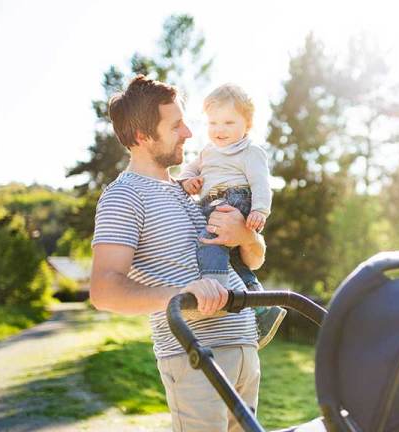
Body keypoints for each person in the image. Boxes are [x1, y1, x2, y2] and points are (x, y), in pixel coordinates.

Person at [90, 75, 264, 432]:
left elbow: (255, 258)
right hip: (195, 356)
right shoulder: (124, 197)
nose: (188, 132)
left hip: (245, 348)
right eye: (175, 126)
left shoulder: (193, 190)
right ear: (141, 137)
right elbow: (104, 290)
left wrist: (245, 236)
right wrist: (183, 295)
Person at [177, 83, 286, 350]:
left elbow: (261, 184)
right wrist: (188, 181)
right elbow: (188, 172)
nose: (219, 130)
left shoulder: (250, 151)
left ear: (246, 125)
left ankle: (216, 291)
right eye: (213, 123)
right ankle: (263, 308)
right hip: (209, 203)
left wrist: (260, 210)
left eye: (228, 122)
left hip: (233, 201)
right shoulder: (207, 151)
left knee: (209, 241)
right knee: (233, 258)